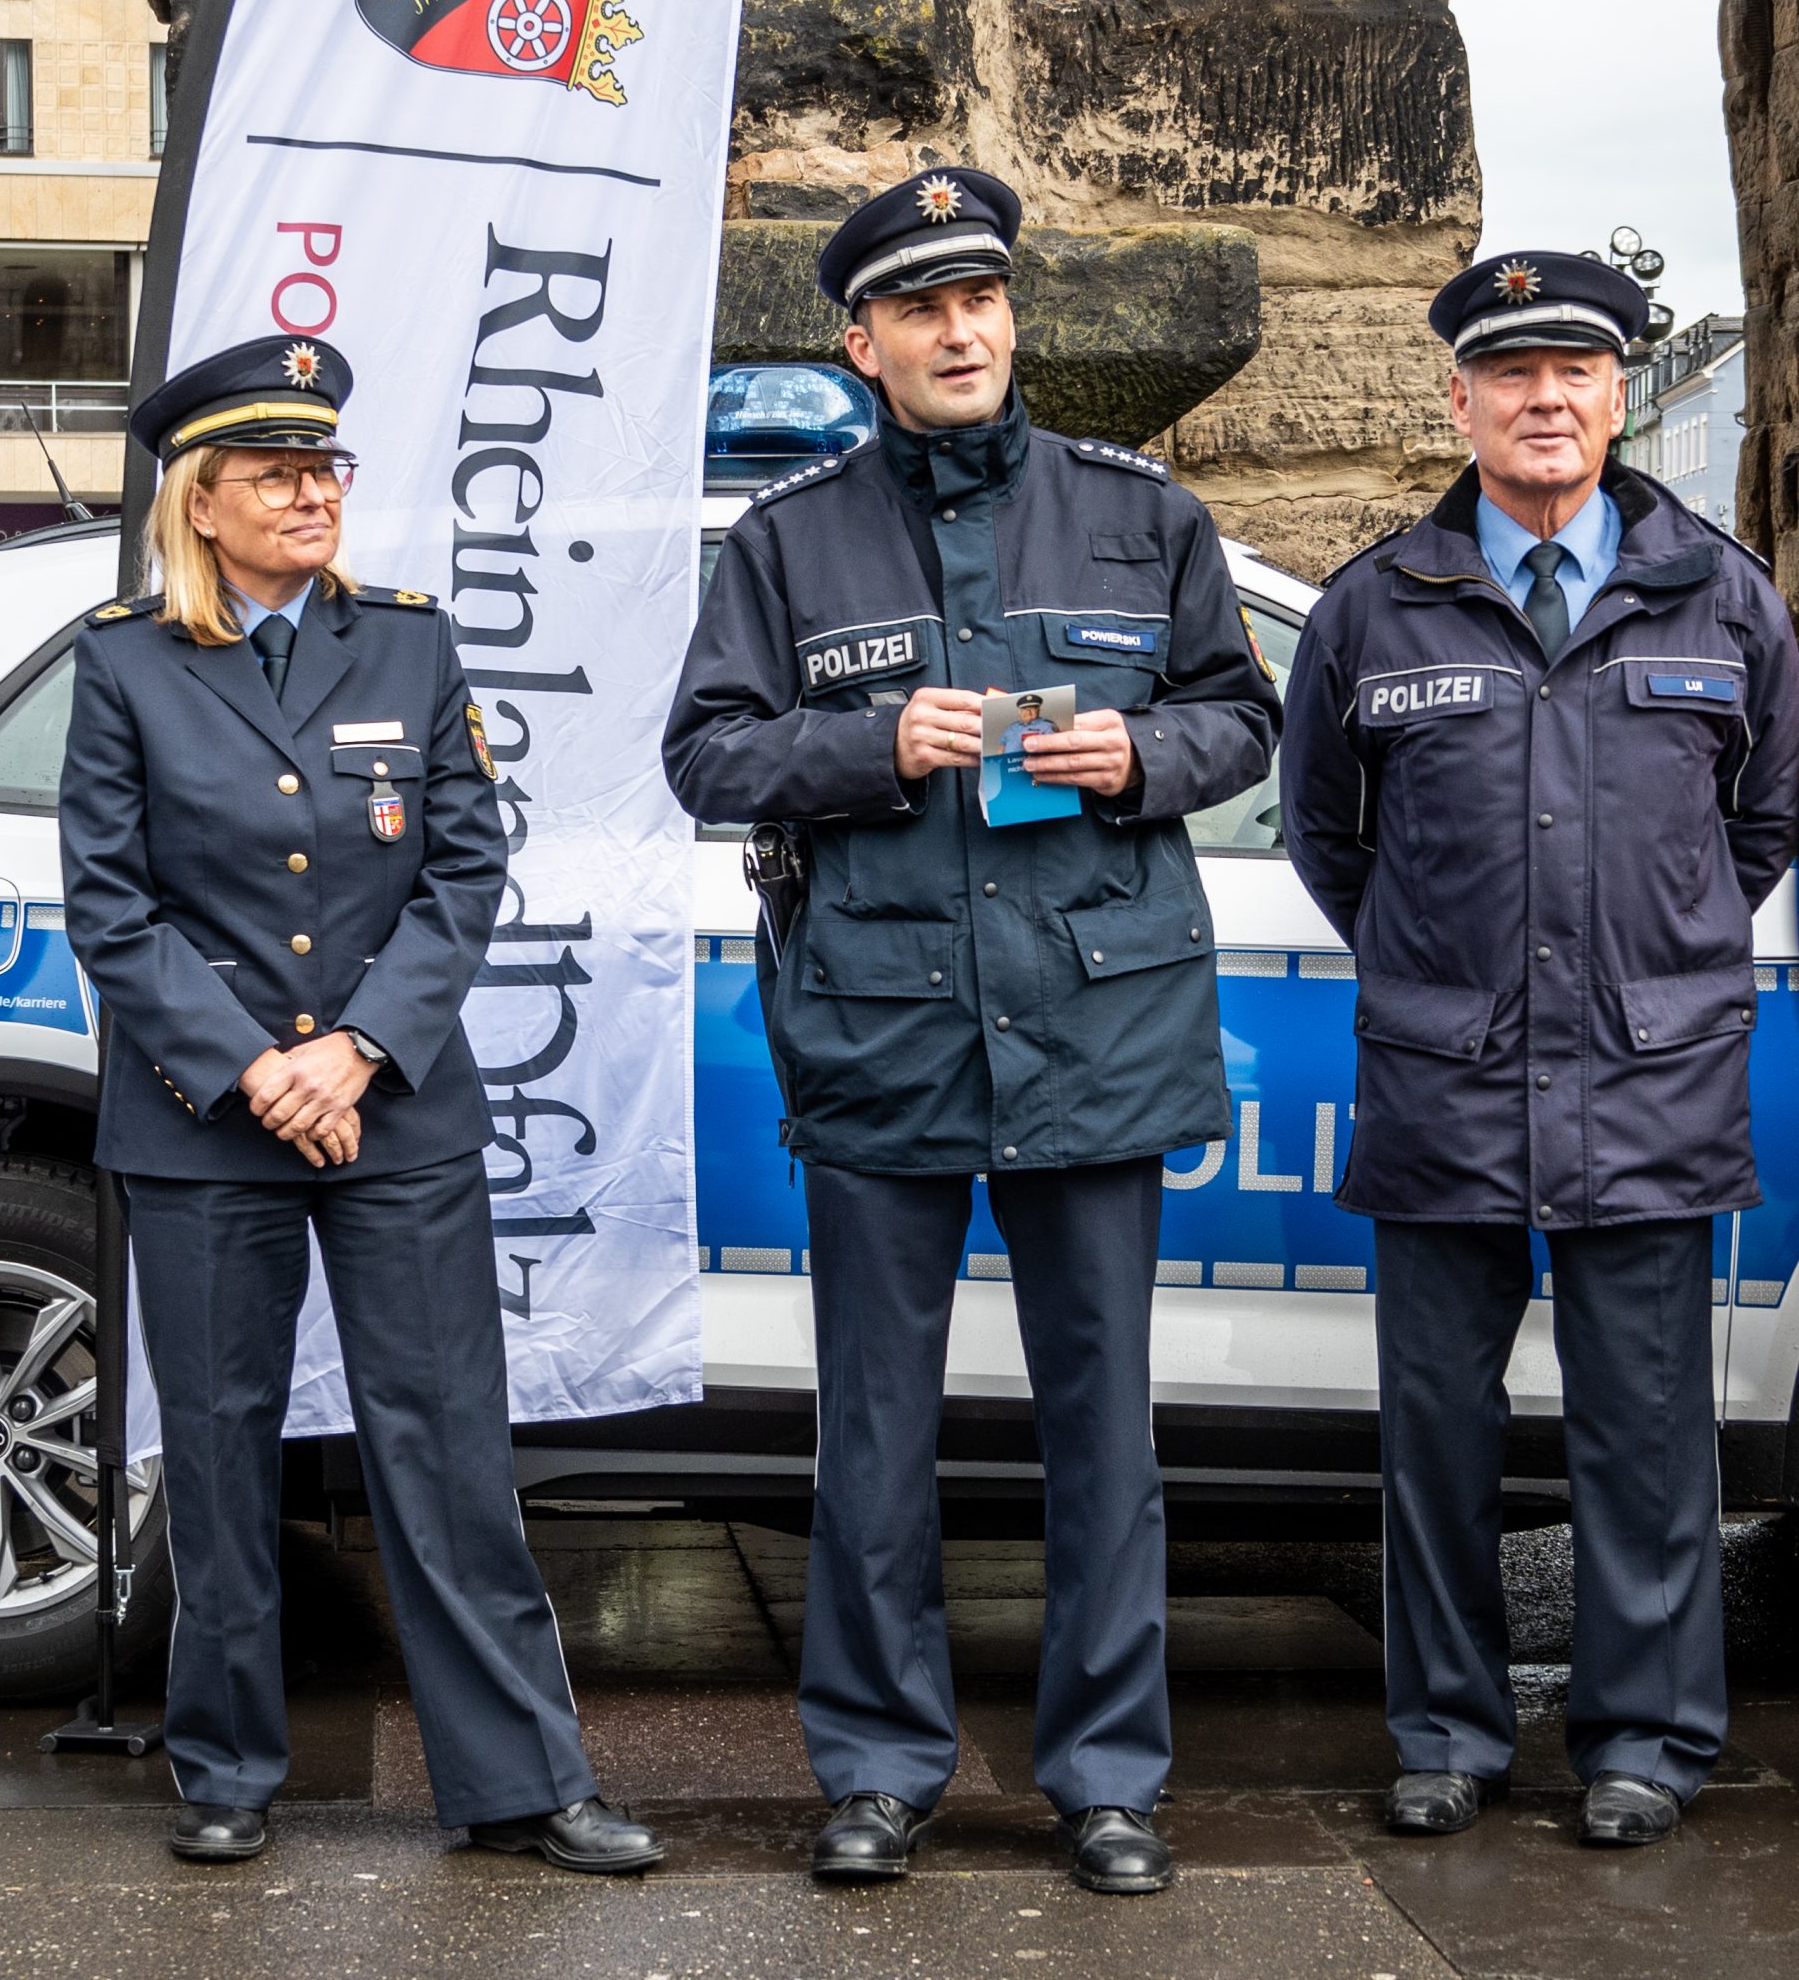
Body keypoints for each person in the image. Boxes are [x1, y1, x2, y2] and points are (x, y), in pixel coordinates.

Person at [662, 172, 1281, 1890]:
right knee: (872, 1432)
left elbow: (1246, 716)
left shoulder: (1140, 519)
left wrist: (1140, 757)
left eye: (982, 301)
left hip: (1094, 1031)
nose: (960, 331)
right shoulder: (790, 541)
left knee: (1107, 1431)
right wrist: (878, 749)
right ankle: (875, 1770)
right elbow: (707, 756)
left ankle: (1106, 1782)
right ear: (862, 341)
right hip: (885, 1038)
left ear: (1013, 321)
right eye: (921, 309)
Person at [58, 334, 662, 1874]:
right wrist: (262, 1063)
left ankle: (523, 1778)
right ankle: (227, 1768)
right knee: (217, 1445)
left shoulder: (408, 642)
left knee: (447, 1444)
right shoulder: (126, 660)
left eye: (325, 467)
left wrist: (360, 1050)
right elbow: (111, 906)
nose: (313, 493)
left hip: (391, 1111)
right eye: (276, 472)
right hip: (207, 1118)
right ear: (201, 501)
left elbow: (467, 863)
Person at [1281, 251, 1799, 1848]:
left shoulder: (1724, 592)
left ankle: (1643, 1742)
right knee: (1436, 1432)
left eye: (1576, 370)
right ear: (1462, 398)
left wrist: (1644, 964)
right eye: (1512, 373)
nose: (1546, 398)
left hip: (1648, 1078)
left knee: (1644, 1436)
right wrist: (1452, 975)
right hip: (1447, 1079)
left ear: (1620, 393)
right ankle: (1446, 1730)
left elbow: (1760, 822)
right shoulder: (1377, 601)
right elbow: (1325, 833)